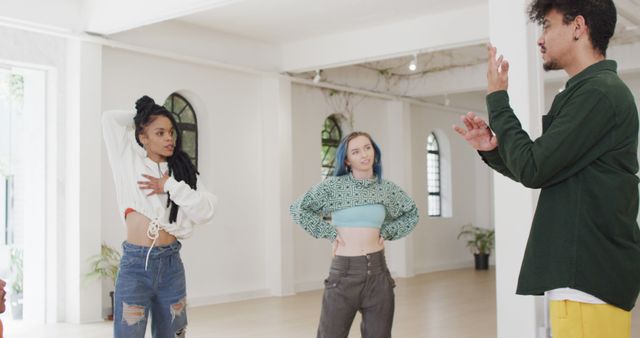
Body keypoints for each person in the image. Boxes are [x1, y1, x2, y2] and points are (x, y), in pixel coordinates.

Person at [453, 0, 640, 337]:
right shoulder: (588, 92)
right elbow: (543, 169)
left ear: (579, 27)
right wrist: (494, 150)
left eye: (548, 26)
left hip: (586, 277)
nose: (540, 39)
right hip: (582, 276)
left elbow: (534, 168)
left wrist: (498, 98)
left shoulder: (598, 94)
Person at [102, 95, 217, 338]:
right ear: (142, 137)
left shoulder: (183, 172)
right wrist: (146, 114)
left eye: (171, 132)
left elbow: (206, 211)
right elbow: (109, 119)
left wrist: (170, 185)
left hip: (171, 265)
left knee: (173, 334)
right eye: (160, 132)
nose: (169, 138)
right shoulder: (127, 160)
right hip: (135, 265)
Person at [290, 131, 419, 338]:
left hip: (378, 274)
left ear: (375, 153)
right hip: (343, 275)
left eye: (367, 148)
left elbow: (411, 213)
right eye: (356, 151)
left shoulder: (386, 189)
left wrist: (387, 231)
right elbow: (298, 209)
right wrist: (329, 233)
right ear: (347, 160)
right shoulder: (333, 187)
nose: (364, 154)